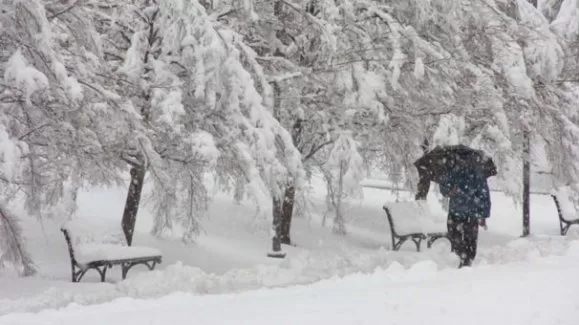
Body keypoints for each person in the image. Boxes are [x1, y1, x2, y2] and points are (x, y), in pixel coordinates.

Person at [439, 162, 491, 268]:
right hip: (466, 211)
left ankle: (465, 259)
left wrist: (449, 190)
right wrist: (483, 214)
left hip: (463, 211)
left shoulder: (454, 169)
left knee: (461, 236)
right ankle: (466, 258)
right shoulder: (477, 171)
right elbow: (484, 194)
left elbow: (483, 193)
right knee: (466, 237)